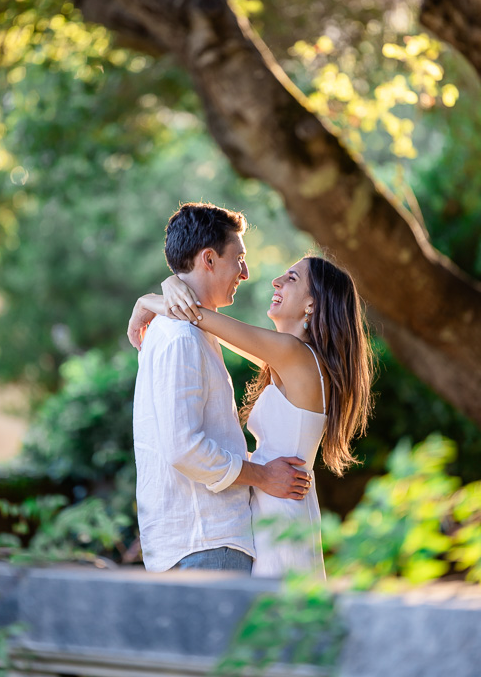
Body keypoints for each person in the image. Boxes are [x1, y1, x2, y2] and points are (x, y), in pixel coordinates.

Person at [133, 252, 374, 578]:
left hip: (280, 501)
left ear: (312, 305)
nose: (276, 280)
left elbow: (198, 317)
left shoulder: (296, 357)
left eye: (292, 278)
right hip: (273, 499)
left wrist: (151, 298)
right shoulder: (292, 363)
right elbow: (205, 323)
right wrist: (168, 287)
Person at [127, 203, 312, 573]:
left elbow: (214, 325)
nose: (247, 273)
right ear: (208, 259)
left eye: (291, 279)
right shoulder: (182, 336)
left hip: (220, 533)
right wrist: (262, 475)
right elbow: (184, 448)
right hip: (206, 539)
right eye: (239, 258)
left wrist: (156, 297)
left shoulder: (190, 332)